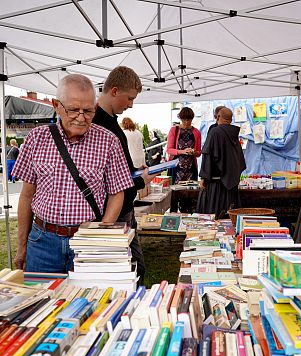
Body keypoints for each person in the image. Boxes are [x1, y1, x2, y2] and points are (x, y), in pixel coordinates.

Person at [12, 74, 133, 272]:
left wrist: (100, 235)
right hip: (43, 240)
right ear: (56, 105)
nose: (81, 117)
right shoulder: (36, 139)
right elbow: (26, 196)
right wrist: (22, 246)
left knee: (89, 300)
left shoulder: (109, 141)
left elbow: (116, 192)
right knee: (42, 299)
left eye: (88, 111)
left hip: (87, 240)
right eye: (73, 110)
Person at [93, 66, 157, 286]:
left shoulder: (110, 121)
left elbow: (116, 168)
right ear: (114, 91)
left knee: (136, 268)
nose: (130, 105)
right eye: (129, 98)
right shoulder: (97, 123)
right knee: (130, 272)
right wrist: (140, 180)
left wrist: (136, 171)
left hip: (124, 210)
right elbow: (106, 179)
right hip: (112, 213)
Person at [196, 107, 246, 219]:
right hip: (230, 185)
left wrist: (204, 177)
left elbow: (208, 155)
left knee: (214, 217)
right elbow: (239, 158)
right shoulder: (234, 134)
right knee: (229, 218)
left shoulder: (215, 132)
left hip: (215, 186)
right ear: (230, 119)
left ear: (218, 117)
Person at [166, 107, 201, 184]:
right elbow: (169, 150)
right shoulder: (174, 130)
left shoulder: (196, 132)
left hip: (191, 168)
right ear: (180, 119)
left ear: (192, 119)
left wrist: (194, 152)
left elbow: (199, 153)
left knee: (191, 192)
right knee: (175, 192)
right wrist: (182, 151)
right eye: (184, 120)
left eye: (189, 120)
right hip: (176, 167)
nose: (186, 122)